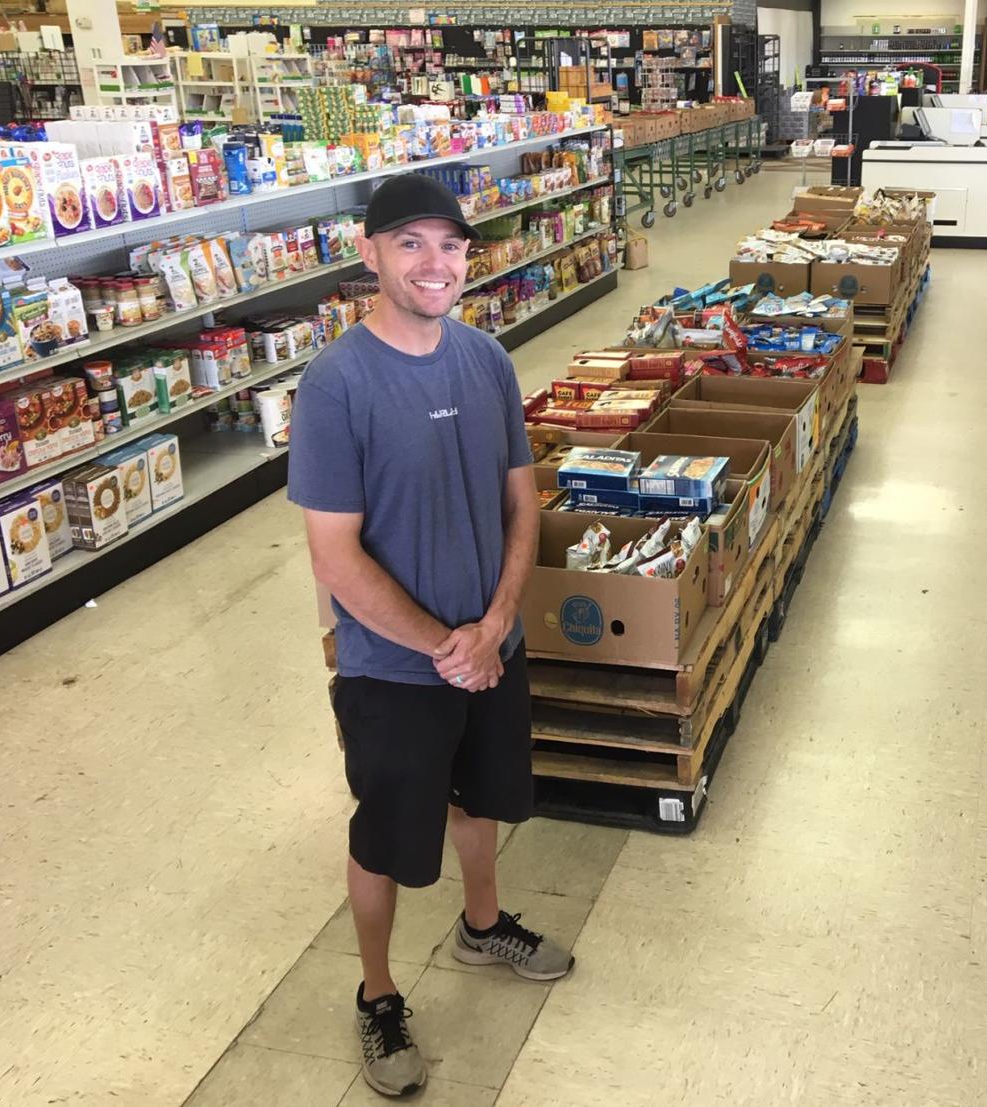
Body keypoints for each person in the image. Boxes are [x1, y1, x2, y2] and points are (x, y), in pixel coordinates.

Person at [287, 173, 573, 1099]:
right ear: (368, 254)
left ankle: (482, 924)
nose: (434, 262)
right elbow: (335, 556)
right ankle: (376, 992)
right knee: (385, 840)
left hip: (493, 649)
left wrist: (493, 626)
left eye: (448, 244)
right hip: (392, 673)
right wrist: (445, 645)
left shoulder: (487, 359)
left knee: (481, 801)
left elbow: (520, 501)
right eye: (409, 242)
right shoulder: (335, 383)